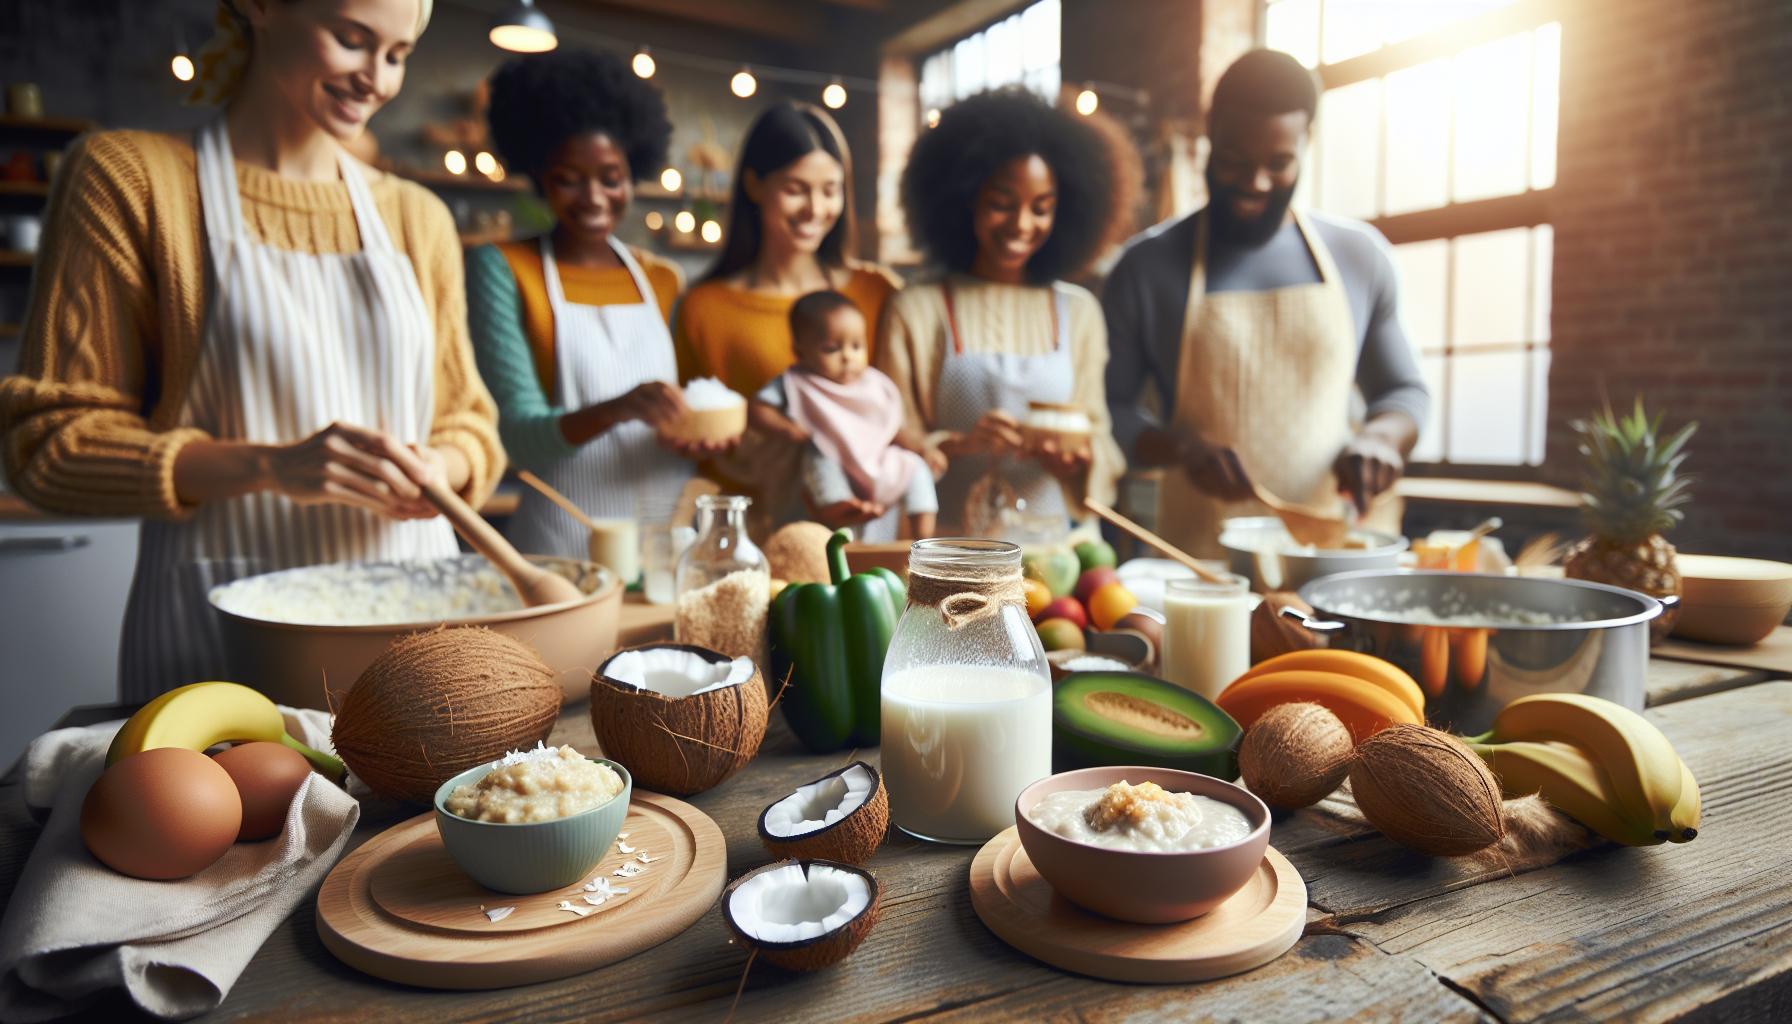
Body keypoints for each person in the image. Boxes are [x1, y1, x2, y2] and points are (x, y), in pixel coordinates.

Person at [0, 0, 503, 701]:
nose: (377, 81)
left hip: (416, 640)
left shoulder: (418, 219)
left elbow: (470, 424)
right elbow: (45, 443)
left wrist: (438, 465)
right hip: (216, 645)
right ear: (262, 7)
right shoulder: (130, 180)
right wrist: (271, 465)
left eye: (397, 55)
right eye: (352, 40)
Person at [1104, 49, 1429, 556]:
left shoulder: (1359, 258)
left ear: (1307, 143)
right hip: (1197, 567)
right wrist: (1181, 449)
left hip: (1326, 556)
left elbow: (1404, 391)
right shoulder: (1146, 268)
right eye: (1235, 162)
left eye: (1278, 164)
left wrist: (1381, 439)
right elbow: (1108, 412)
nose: (1255, 183)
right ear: (1210, 134)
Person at [468, 49, 716, 559]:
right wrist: (621, 407)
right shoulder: (504, 269)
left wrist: (702, 435)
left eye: (611, 177)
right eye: (568, 178)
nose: (594, 197)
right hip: (562, 548)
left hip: (666, 549)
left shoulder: (662, 279)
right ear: (539, 176)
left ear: (633, 173)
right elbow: (516, 438)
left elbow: (686, 411)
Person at [878, 88, 1131, 537]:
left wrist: (1076, 458)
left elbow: (1102, 444)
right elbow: (887, 447)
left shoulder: (1079, 312)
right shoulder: (915, 310)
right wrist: (956, 445)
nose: (1021, 225)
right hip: (949, 560)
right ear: (965, 199)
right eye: (1001, 203)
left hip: (1055, 563)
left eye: (1042, 208)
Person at [674, 103, 901, 532]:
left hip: (869, 532)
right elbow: (693, 439)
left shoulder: (877, 293)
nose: (816, 208)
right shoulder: (704, 307)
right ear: (755, 185)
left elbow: (902, 414)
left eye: (831, 190)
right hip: (755, 537)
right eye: (797, 189)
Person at [749, 291, 942, 541]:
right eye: (831, 348)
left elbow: (893, 429)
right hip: (832, 460)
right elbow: (757, 410)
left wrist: (922, 449)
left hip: (876, 459)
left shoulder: (873, 385)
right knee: (819, 451)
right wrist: (787, 428)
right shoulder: (796, 382)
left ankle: (924, 534)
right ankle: (835, 502)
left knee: (916, 467)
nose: (847, 356)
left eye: (857, 346)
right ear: (800, 352)